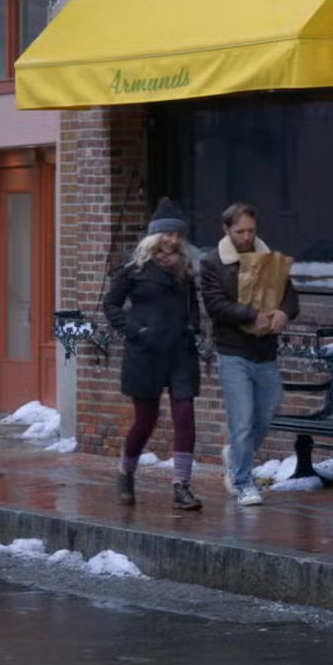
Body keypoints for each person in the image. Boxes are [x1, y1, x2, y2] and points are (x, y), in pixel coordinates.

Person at [102, 198, 204, 511]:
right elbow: (111, 305)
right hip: (145, 353)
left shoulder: (185, 268)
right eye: (166, 234)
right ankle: (126, 472)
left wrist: (194, 328)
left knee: (185, 417)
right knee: (146, 421)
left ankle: (181, 486)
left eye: (177, 234)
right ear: (154, 236)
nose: (172, 240)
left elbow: (192, 305)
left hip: (180, 352)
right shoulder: (134, 267)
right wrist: (135, 330)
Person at [198, 202, 300, 507]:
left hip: (265, 351)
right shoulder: (213, 263)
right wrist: (251, 315)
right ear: (226, 229)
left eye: (251, 231)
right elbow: (215, 305)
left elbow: (291, 297)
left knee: (268, 412)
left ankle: (235, 454)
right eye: (239, 231)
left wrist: (284, 313)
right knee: (242, 420)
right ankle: (243, 482)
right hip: (232, 352)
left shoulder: (270, 259)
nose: (246, 237)